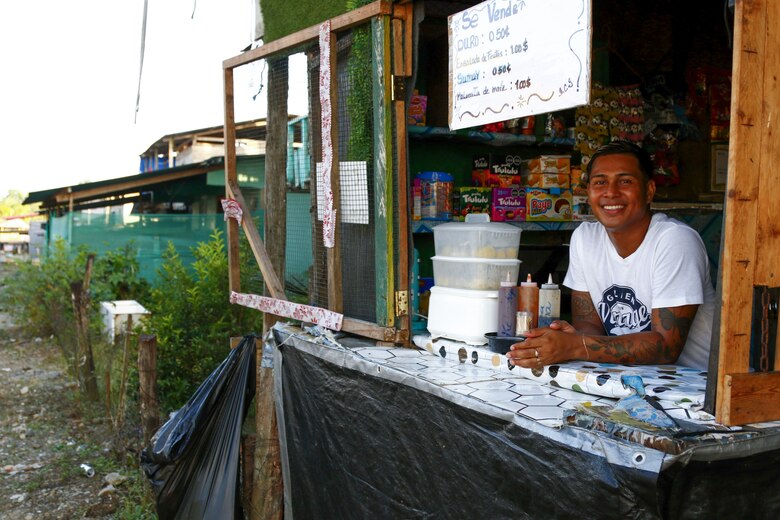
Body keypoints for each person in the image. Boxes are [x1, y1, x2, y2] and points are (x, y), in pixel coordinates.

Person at [506, 140, 716, 370]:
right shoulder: (585, 238)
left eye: (625, 181)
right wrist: (567, 339)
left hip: (696, 390)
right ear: (588, 193)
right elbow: (588, 325)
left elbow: (665, 347)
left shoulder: (675, 240)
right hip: (633, 381)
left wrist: (576, 346)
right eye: (600, 182)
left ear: (649, 191)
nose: (611, 192)